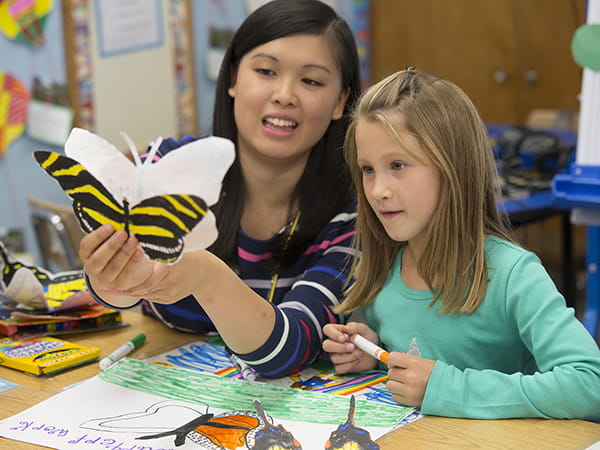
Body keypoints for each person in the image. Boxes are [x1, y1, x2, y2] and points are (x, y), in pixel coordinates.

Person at [80, 0, 361, 378]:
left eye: (311, 81)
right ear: (232, 79)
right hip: (160, 374)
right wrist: (112, 277)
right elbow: (117, 296)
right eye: (266, 71)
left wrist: (203, 274)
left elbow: (289, 350)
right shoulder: (164, 165)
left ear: (340, 101)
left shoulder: (353, 214)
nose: (284, 95)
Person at [322, 68, 600, 420]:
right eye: (368, 169)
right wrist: (373, 355)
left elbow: (590, 385)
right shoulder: (381, 269)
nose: (378, 191)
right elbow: (416, 376)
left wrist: (447, 388)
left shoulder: (513, 274)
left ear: (453, 168)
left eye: (398, 165)